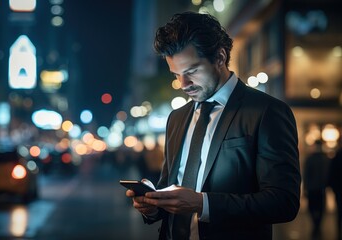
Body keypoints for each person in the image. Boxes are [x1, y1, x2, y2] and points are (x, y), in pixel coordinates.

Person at [125, 12, 301, 240]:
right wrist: (153, 206)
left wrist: (203, 203)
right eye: (176, 74)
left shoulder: (267, 111)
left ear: (220, 57)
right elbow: (169, 187)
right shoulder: (176, 118)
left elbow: (284, 202)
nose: (183, 85)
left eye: (192, 72)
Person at [303, 140, 329, 238]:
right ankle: (317, 224)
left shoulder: (310, 159)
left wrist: (305, 188)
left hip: (312, 188)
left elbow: (306, 175)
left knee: (312, 207)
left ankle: (315, 223)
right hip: (321, 188)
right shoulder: (325, 158)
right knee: (320, 207)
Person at [328, 146, 342, 240]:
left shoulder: (338, 154)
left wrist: (332, 186)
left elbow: (332, 171)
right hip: (338, 187)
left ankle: (339, 231)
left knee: (340, 211)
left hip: (339, 188)